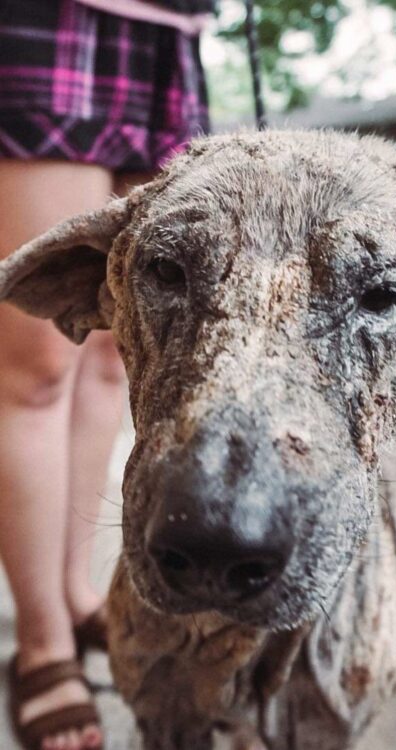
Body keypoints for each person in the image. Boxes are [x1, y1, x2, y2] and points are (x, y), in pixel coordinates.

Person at [0, 1, 210, 748]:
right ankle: (42, 642)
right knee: (36, 365)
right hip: (48, 19)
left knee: (109, 347)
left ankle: (73, 590)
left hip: (168, 31)